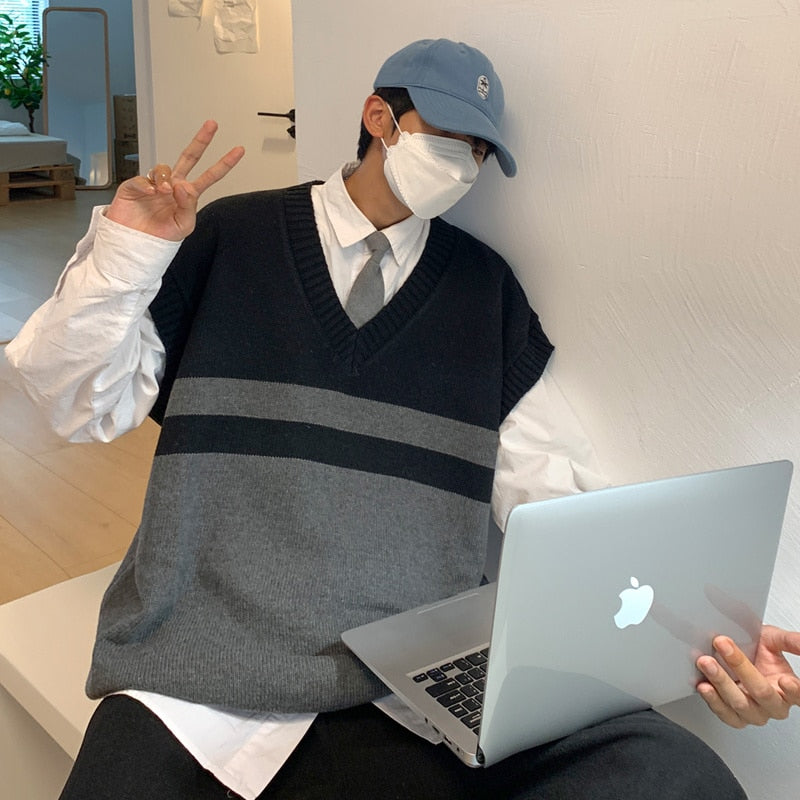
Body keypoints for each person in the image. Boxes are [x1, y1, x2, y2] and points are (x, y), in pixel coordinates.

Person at [5, 37, 799, 800]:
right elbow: (79, 405)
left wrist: (703, 632)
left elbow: (553, 499)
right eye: (448, 138)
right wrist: (127, 253)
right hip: (200, 681)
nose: (464, 165)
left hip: (407, 693)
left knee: (672, 771)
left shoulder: (487, 294)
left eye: (479, 152)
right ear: (379, 118)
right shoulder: (227, 239)